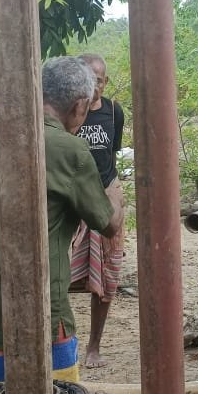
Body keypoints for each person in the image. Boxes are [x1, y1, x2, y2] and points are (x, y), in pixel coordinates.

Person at [0, 57, 121, 394]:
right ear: (80, 106)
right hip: (38, 325)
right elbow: (108, 224)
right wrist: (115, 193)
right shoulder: (70, 150)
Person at [71, 54, 127, 368]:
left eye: (100, 81)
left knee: (106, 278)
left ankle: (94, 346)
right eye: (89, 80)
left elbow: (110, 156)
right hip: (72, 199)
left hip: (105, 197)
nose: (95, 87)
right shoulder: (68, 111)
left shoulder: (113, 111)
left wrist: (113, 193)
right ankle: (61, 342)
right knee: (60, 274)